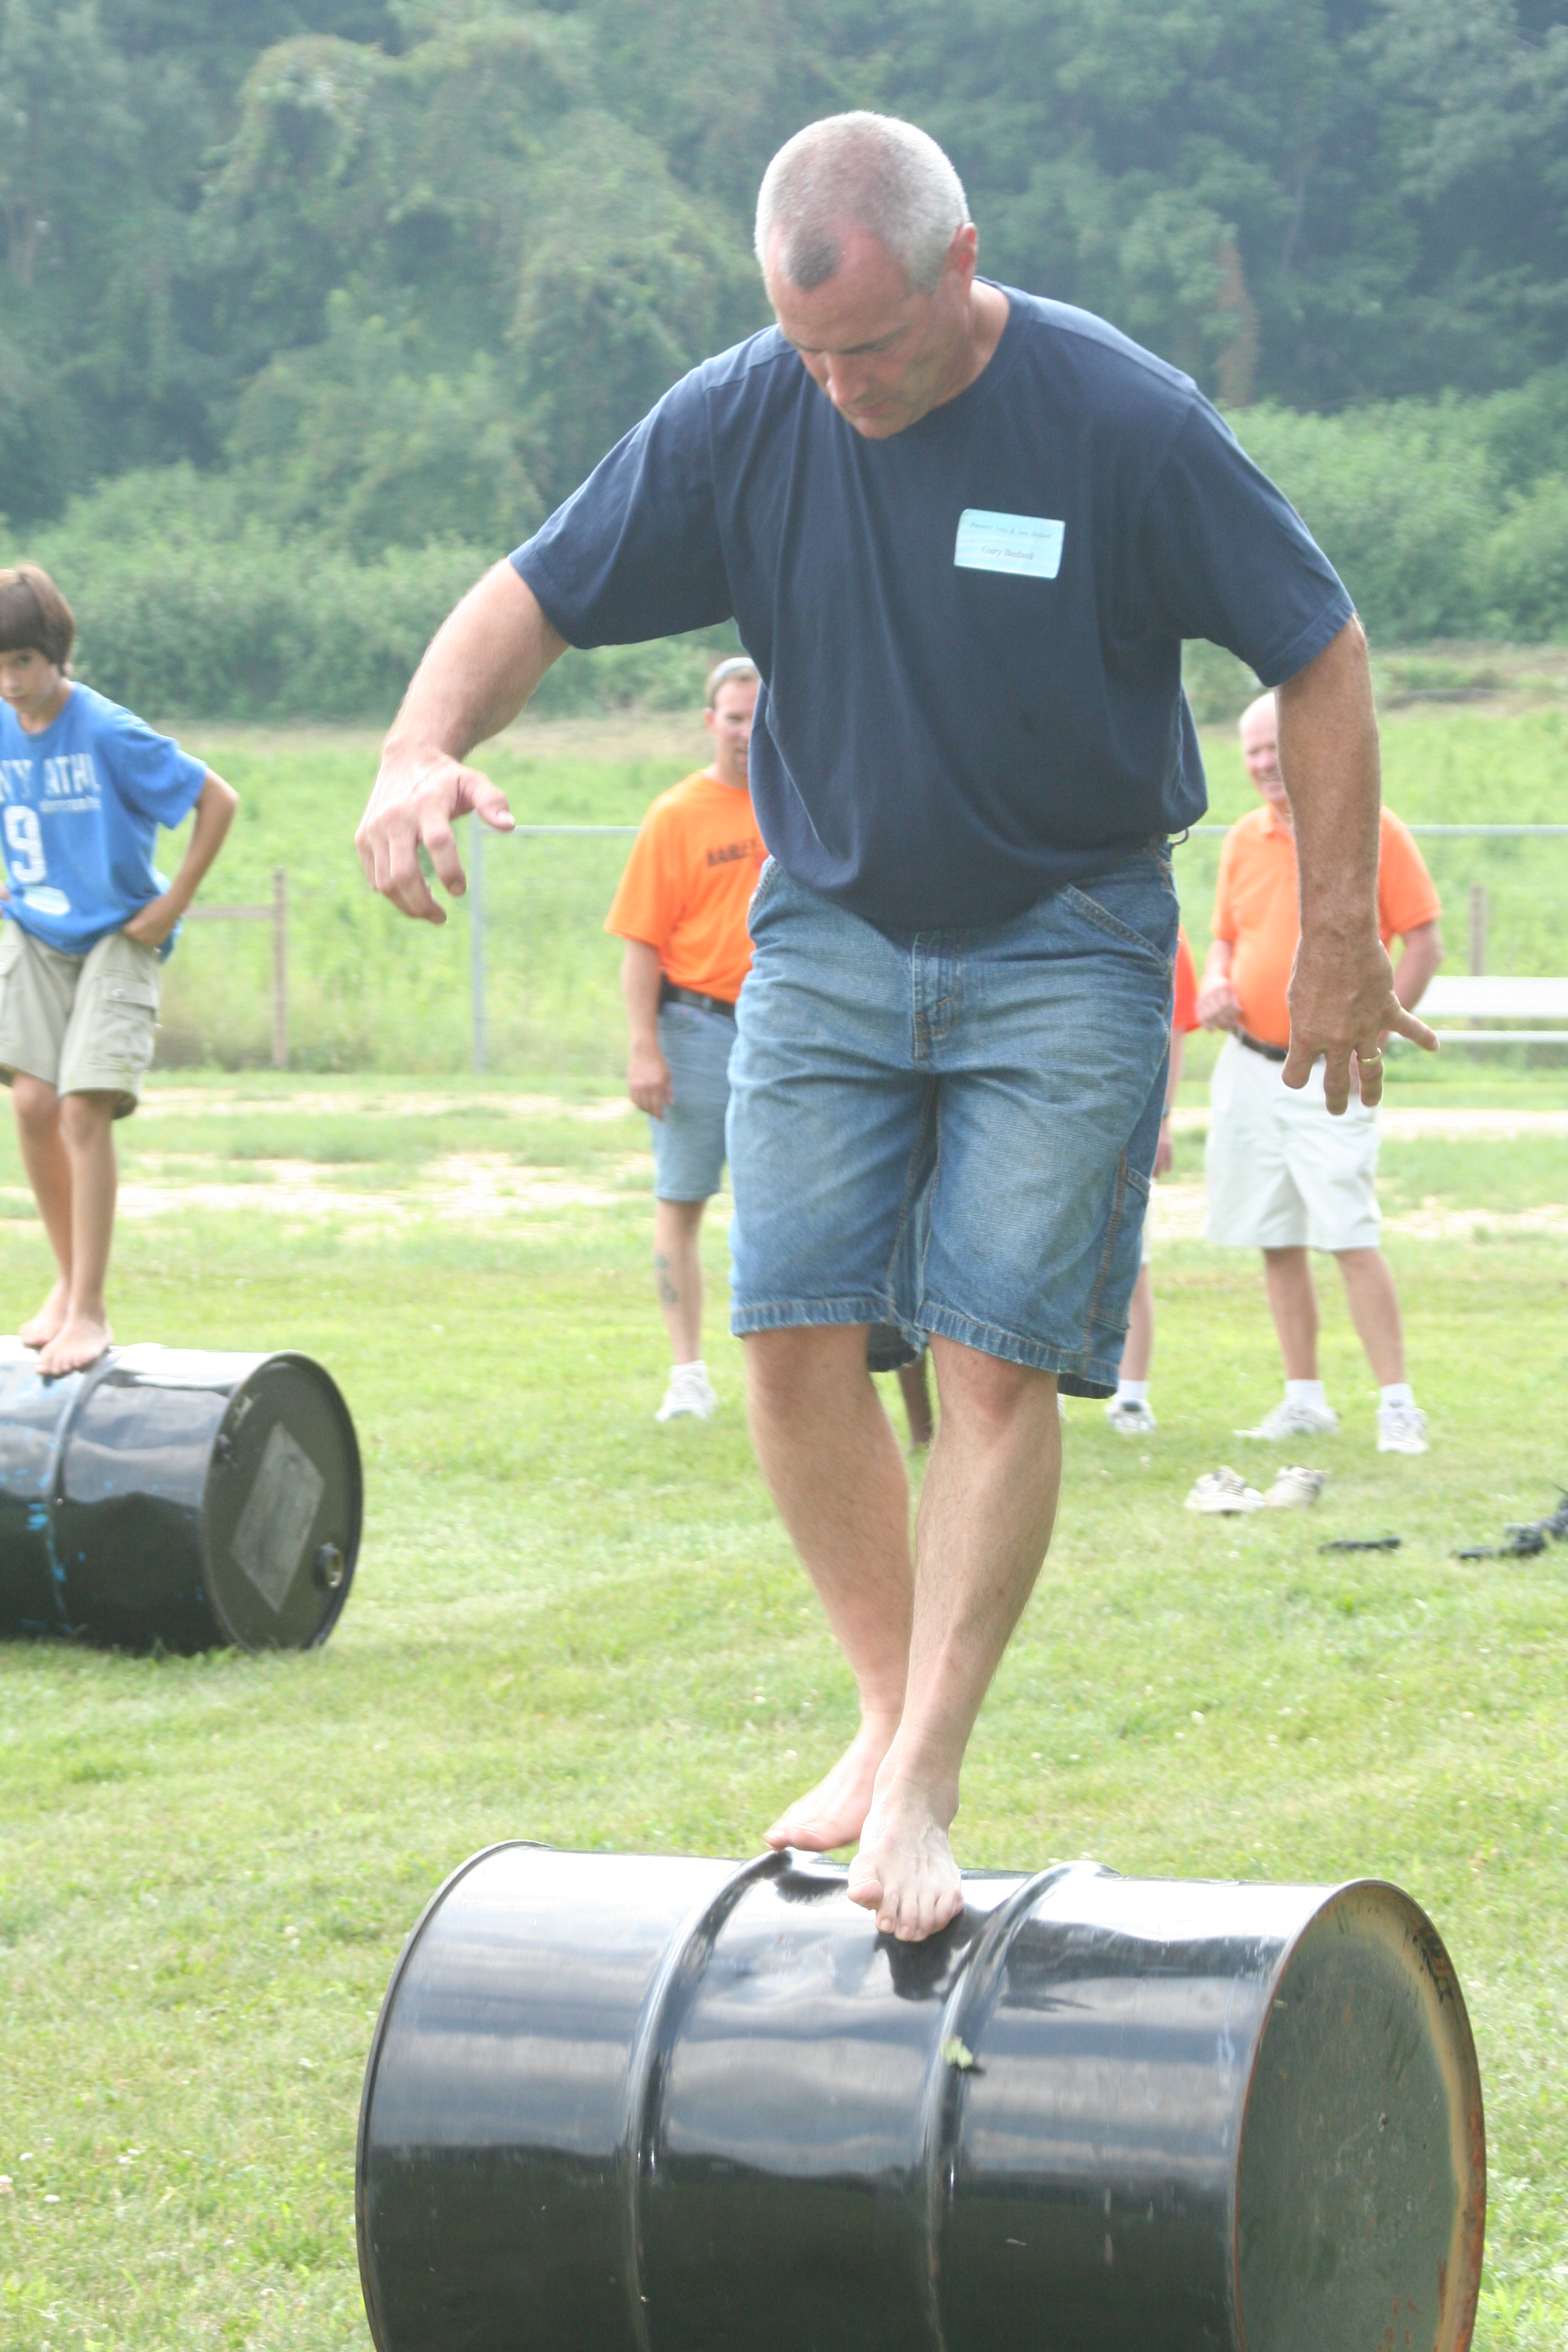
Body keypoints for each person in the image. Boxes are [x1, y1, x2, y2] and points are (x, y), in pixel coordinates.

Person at [355, 112, 1435, 1940]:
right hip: (833, 926)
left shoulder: (1121, 419)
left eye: (872, 345)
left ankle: (926, 1770)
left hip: (1068, 933)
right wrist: (416, 744)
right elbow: (535, 590)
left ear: (960, 265)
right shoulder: (746, 411)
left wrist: (1337, 927)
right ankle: (880, 1707)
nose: (843, 388)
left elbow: (1315, 644)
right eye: (811, 352)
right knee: (788, 1332)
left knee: (991, 1358)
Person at [0, 564, 238, 1375]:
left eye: (23, 661)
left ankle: (91, 1311)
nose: (11, 681)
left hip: (118, 934)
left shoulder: (105, 729)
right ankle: (65, 1285)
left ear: (55, 654)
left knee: (82, 1109)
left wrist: (176, 900)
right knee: (31, 1101)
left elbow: (218, 800)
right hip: (35, 928)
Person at [1196, 691, 1443, 1453]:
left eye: (1276, 746)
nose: (1264, 763)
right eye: (1253, 751)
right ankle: (1304, 1400)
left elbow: (1425, 942)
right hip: (1250, 1068)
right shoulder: (1243, 839)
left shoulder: (1372, 831)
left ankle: (1397, 1405)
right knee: (1277, 1237)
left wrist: (1372, 1033)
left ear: (1307, 745)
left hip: (1333, 1070)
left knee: (1347, 1233)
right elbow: (1226, 940)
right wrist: (1215, 981)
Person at [604, 656, 764, 1422]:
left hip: (787, 1031)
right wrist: (645, 1046)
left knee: (784, 1206)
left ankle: (782, 1377)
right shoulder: (676, 815)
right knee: (683, 1198)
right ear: (710, 723)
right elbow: (641, 941)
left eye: (760, 716)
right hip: (696, 1026)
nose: (747, 731)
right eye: (734, 717)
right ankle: (688, 1375)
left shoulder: (805, 805)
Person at [1105, 929, 1200, 1435]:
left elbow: (1176, 1029)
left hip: (1130, 1113)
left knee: (1131, 1258)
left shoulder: (1167, 933)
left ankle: (1132, 1397)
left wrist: (1162, 1117)